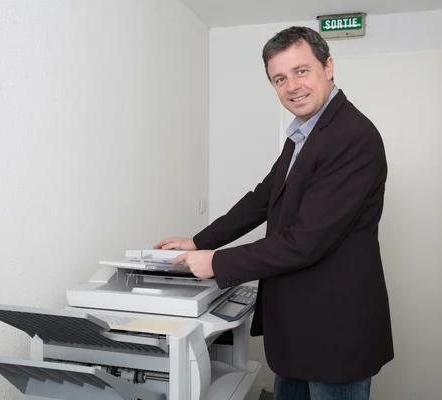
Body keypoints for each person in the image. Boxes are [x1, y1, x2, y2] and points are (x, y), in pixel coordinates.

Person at [154, 26, 393, 400]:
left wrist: (216, 261)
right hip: (299, 326)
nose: (292, 86)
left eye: (301, 71)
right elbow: (263, 198)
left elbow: (305, 242)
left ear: (328, 67)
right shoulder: (304, 133)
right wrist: (199, 241)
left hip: (335, 329)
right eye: (279, 78)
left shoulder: (352, 136)